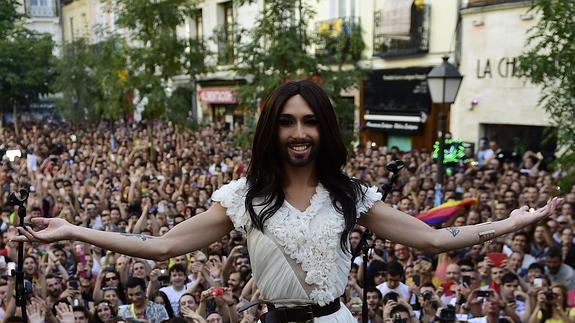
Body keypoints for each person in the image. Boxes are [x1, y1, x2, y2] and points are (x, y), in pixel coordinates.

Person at [13, 80, 562, 322]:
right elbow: (159, 246)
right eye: (287, 122)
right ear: (271, 132)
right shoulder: (243, 198)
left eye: (309, 122)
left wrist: (509, 223)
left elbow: (435, 238)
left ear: (324, 129)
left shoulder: (351, 196)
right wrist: (74, 229)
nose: (299, 132)